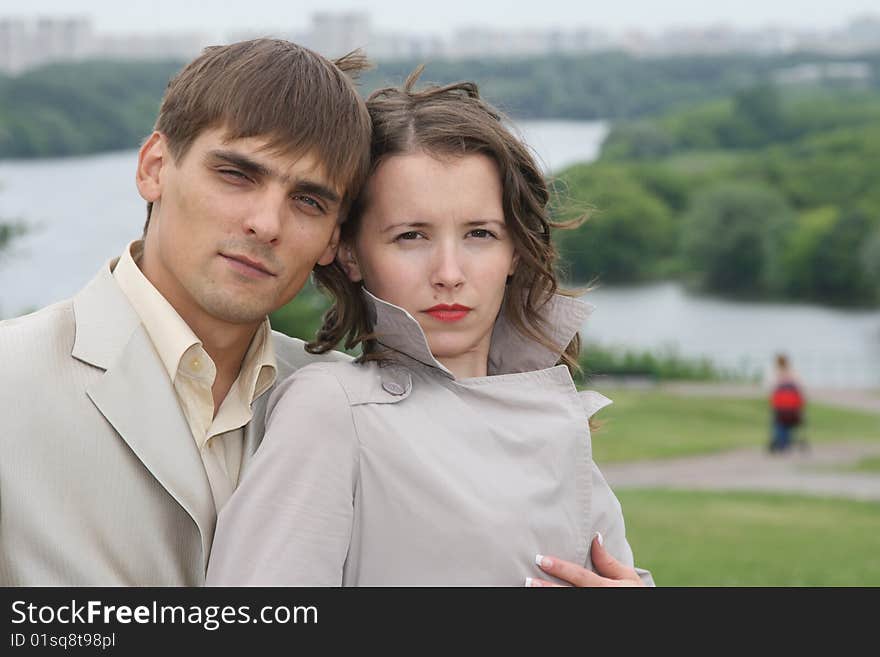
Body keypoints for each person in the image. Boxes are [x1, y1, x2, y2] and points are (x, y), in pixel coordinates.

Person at [207, 71, 654, 587]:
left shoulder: (556, 416)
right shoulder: (331, 410)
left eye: (480, 234)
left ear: (515, 251)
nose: (449, 273)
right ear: (350, 252)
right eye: (411, 235)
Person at [0, 39, 372, 586]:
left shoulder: (363, 409)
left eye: (308, 201)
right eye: (237, 175)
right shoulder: (9, 381)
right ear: (154, 167)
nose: (266, 222)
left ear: (332, 239)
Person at [768, 353, 805, 453]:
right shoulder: (793, 375)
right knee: (786, 424)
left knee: (779, 423)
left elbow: (772, 392)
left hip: (780, 408)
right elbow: (800, 392)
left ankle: (782, 443)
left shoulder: (776, 375)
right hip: (792, 408)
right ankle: (785, 443)